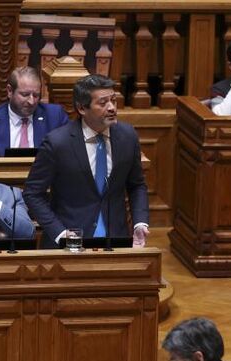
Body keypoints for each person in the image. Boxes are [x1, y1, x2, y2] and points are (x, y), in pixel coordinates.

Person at [24, 74, 150, 248]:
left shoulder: (127, 136)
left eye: (113, 100)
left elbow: (137, 185)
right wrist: (59, 232)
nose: (112, 107)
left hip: (115, 240)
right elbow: (32, 193)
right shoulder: (58, 143)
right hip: (69, 242)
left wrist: (140, 223)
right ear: (82, 108)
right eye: (103, 102)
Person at [0, 67, 70, 157]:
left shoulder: (55, 116)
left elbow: (69, 153)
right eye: (25, 94)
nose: (31, 101)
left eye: (36, 95)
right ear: (10, 91)